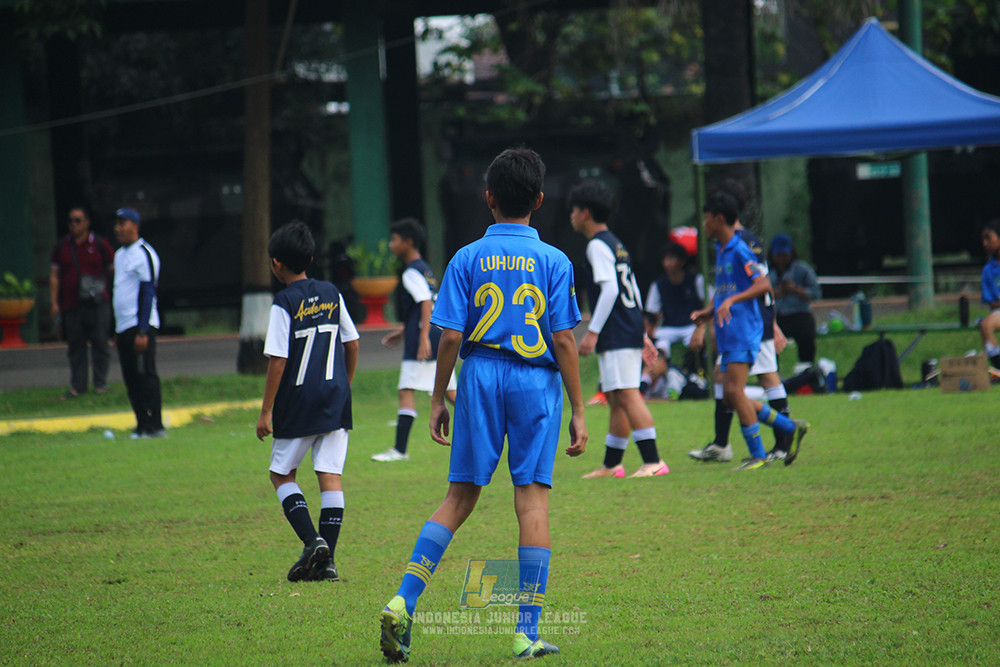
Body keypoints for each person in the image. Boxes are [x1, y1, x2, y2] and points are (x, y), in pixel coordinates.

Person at [378, 147, 587, 662]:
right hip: (536, 381)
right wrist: (579, 409)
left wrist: (437, 398)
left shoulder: (466, 257)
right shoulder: (555, 260)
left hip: (480, 376)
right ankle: (525, 633)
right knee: (532, 502)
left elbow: (449, 336)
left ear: (488, 198)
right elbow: (564, 340)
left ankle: (403, 601)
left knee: (458, 498)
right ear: (539, 200)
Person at [255, 221, 359, 583]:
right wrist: (344, 385)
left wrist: (266, 410)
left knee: (281, 473)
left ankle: (313, 541)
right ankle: (328, 563)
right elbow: (352, 342)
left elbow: (278, 360)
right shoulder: (331, 292)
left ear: (275, 263)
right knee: (330, 475)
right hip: (335, 398)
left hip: (298, 401)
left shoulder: (283, 303)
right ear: (311, 259)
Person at [691, 190, 808, 471]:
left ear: (719, 219)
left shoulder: (740, 249)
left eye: (706, 219)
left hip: (743, 331)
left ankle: (758, 455)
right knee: (731, 394)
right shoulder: (722, 249)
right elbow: (727, 289)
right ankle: (788, 427)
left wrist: (732, 301)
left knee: (734, 391)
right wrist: (710, 311)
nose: (703, 224)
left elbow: (763, 284)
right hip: (729, 331)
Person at [569, 180, 668, 479]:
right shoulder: (616, 243)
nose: (571, 216)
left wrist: (593, 331)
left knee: (626, 395)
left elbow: (612, 290)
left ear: (585, 213)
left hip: (616, 331)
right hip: (627, 329)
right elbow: (633, 292)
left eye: (573, 210)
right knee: (615, 396)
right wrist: (642, 334)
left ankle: (654, 461)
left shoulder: (596, 245)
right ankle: (612, 465)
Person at [373, 218, 457, 462]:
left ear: (408, 242)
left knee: (406, 390)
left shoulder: (411, 271)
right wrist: (403, 331)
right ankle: (490, 427)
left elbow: (425, 302)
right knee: (451, 393)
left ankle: (400, 450)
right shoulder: (425, 269)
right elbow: (425, 304)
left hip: (425, 337)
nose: (391, 244)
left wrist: (422, 338)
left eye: (394, 240)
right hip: (434, 333)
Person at [49, 206, 115, 399]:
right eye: (70, 221)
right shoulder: (62, 246)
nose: (73, 225)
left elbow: (112, 269)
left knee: (100, 342)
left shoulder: (100, 244)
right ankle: (78, 386)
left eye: (77, 220)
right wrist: (54, 302)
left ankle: (100, 383)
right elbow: (54, 275)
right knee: (75, 346)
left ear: (87, 222)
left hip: (97, 302)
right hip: (72, 304)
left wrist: (100, 286)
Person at [112, 207, 165, 439]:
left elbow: (148, 292)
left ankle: (155, 425)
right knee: (131, 377)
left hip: (139, 324)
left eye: (122, 223)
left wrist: (143, 330)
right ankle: (141, 424)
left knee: (146, 374)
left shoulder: (144, 253)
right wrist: (116, 329)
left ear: (135, 226)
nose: (118, 228)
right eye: (116, 224)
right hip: (123, 325)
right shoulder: (119, 255)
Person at [645, 241, 707, 374]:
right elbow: (652, 312)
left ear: (682, 261)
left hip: (691, 326)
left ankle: (694, 370)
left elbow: (710, 302)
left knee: (696, 340)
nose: (668, 263)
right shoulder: (658, 285)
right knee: (661, 344)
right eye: (665, 259)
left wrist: (702, 324)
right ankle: (663, 370)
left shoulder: (696, 280)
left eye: (671, 258)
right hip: (669, 328)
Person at [769, 233, 821, 365]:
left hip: (799, 314)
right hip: (776, 315)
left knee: (806, 335)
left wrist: (795, 289)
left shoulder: (803, 269)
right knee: (768, 343)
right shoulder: (766, 271)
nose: (781, 259)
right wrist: (774, 293)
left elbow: (816, 294)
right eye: (778, 255)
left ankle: (807, 368)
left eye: (784, 255)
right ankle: (773, 372)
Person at [979, 218, 1000, 370]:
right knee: (986, 325)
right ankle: (998, 366)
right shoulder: (988, 270)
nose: (985, 243)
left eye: (988, 238)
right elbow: (991, 302)